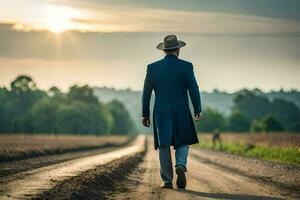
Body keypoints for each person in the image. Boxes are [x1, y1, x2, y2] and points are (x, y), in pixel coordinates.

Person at [141, 35, 202, 189]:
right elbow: (194, 89)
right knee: (182, 140)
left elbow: (146, 93)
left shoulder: (152, 67)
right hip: (181, 109)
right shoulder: (186, 66)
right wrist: (197, 108)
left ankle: (167, 180)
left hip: (161, 110)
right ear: (178, 49)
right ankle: (180, 165)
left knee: (163, 145)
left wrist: (145, 113)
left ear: (164, 50)